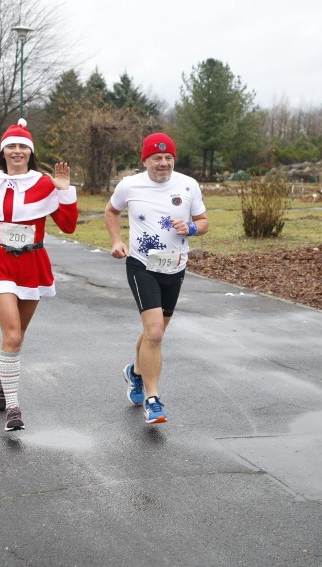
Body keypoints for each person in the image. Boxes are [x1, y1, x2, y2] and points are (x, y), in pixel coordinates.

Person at [0, 119, 78, 432]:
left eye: (23, 146)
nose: (17, 151)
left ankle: (1, 378)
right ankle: (13, 407)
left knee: (17, 337)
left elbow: (68, 225)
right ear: (3, 152)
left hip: (32, 264)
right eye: (11, 146)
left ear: (31, 152)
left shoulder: (44, 185)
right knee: (12, 334)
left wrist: (64, 192)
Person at [105, 132, 209, 424]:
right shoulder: (130, 185)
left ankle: (135, 372)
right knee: (155, 333)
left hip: (175, 267)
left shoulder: (188, 184)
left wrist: (190, 227)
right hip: (142, 265)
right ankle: (153, 400)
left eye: (168, 158)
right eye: (156, 158)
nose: (163, 164)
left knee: (155, 331)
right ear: (145, 160)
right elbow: (111, 211)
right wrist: (116, 241)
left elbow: (204, 223)